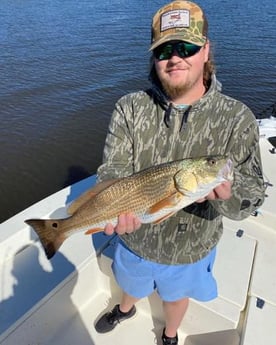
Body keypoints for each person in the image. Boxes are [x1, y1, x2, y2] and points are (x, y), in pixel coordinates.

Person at [94, 1, 265, 344]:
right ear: (154, 57)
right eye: (165, 49)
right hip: (134, 239)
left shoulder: (237, 118)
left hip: (190, 250)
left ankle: (169, 335)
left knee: (175, 298)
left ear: (205, 51)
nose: (175, 57)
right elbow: (112, 170)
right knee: (129, 285)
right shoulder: (129, 108)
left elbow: (253, 197)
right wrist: (110, 205)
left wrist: (228, 198)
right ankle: (126, 309)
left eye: (186, 47)